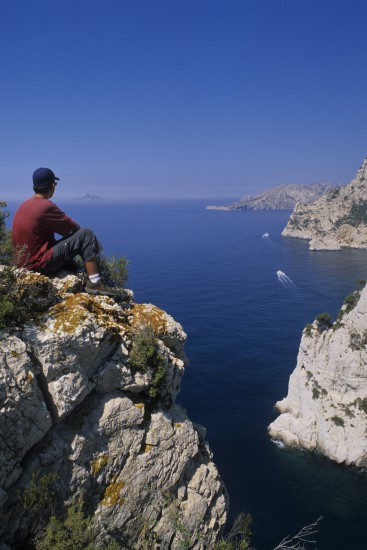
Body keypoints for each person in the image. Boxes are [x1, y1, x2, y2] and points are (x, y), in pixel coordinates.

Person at [12, 167, 123, 299]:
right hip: (38, 265)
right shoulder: (46, 206)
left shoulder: (24, 205)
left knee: (72, 264)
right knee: (86, 234)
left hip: (22, 265)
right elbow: (75, 229)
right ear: (52, 185)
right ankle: (94, 283)